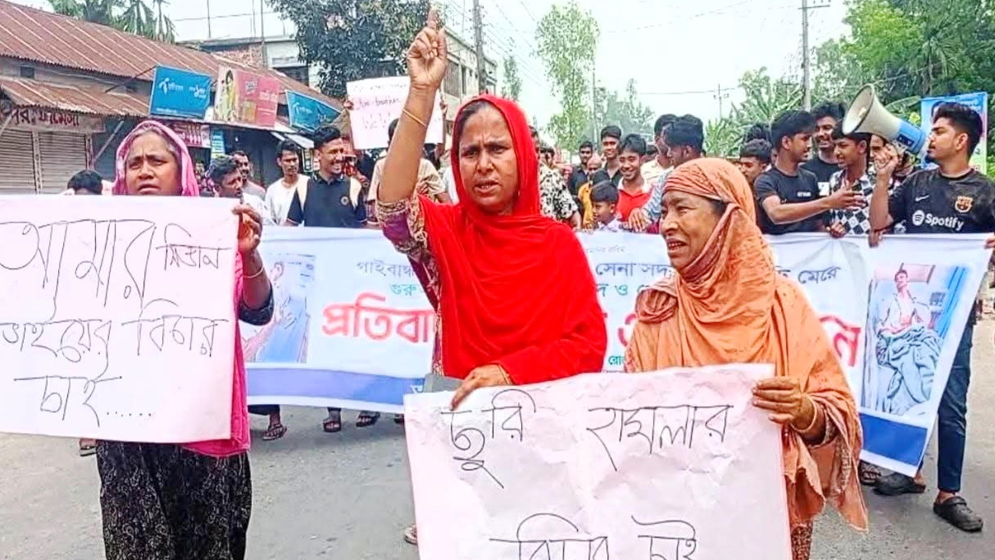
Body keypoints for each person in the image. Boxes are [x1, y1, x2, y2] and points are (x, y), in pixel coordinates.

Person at [377, 13, 607, 545]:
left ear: (522, 155)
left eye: (497, 149)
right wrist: (421, 95)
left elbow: (588, 345)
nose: (483, 164)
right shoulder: (444, 232)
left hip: (545, 440)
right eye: (469, 152)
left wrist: (509, 372)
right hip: (463, 434)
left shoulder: (558, 243)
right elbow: (391, 209)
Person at [624, 158, 867, 560]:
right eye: (664, 210)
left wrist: (804, 412)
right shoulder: (659, 309)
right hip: (676, 526)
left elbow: (836, 414)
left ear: (728, 219)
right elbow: (628, 426)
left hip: (767, 523)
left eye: (682, 208)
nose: (666, 224)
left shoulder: (782, 304)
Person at [100, 120, 273, 560]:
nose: (144, 171)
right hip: (129, 437)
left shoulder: (214, 234)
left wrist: (249, 253)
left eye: (157, 161)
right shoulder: (98, 239)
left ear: (181, 171)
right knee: (137, 546)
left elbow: (257, 309)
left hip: (199, 426)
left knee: (206, 543)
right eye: (135, 163)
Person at [869, 102, 994, 533]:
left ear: (961, 140)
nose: (931, 136)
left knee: (951, 403)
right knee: (909, 392)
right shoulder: (917, 183)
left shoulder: (985, 192)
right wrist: (883, 178)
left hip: (954, 321)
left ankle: (949, 493)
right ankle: (910, 471)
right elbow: (879, 222)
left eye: (939, 131)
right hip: (913, 325)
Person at [285, 125, 380, 432]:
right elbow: (288, 230)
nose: (340, 157)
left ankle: (367, 404)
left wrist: (388, 238)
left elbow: (364, 230)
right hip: (320, 284)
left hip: (353, 282)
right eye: (334, 152)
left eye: (342, 151)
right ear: (318, 154)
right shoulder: (303, 190)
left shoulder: (353, 188)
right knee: (327, 347)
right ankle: (334, 410)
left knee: (358, 343)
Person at [755, 110, 860, 235]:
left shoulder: (810, 179)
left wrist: (831, 232)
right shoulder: (765, 181)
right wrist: (829, 202)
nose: (810, 145)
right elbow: (776, 214)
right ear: (786, 142)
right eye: (805, 139)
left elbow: (817, 224)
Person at [66, 168, 105, 457]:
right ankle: (87, 431)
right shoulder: (63, 226)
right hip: (75, 309)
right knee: (81, 369)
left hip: (106, 308)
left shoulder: (110, 225)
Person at [627, 114, 703, 232]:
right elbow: (650, 212)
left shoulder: (714, 179)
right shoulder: (666, 178)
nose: (668, 154)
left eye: (672, 149)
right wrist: (639, 215)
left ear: (687, 151)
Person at [368, 118, 449, 226]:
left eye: (407, 140)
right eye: (398, 141)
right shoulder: (381, 167)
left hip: (425, 229)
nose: (403, 146)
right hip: (395, 230)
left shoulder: (425, 166)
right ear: (389, 144)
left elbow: (447, 204)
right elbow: (376, 210)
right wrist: (412, 196)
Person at [531, 127, 581, 227]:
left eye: (537, 150)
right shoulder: (508, 182)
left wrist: (577, 230)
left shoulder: (551, 178)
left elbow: (573, 215)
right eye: (529, 149)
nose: (535, 155)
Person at [802, 102, 846, 190]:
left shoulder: (850, 169)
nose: (820, 134)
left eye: (827, 128)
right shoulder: (804, 172)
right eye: (816, 129)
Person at [266, 140, 308, 225]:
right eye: (288, 161)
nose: (292, 164)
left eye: (294, 160)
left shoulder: (309, 184)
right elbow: (270, 221)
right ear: (279, 162)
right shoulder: (272, 190)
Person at [616, 134, 651, 222]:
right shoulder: (612, 193)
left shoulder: (653, 194)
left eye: (631, 159)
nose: (626, 165)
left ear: (642, 160)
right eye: (622, 160)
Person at [641, 114, 676, 186]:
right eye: (668, 136)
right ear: (657, 139)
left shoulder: (685, 169)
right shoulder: (644, 171)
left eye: (674, 137)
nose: (671, 141)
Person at [576, 152, 604, 229]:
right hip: (586, 229)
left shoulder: (606, 188)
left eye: (595, 169)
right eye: (590, 169)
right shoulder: (583, 189)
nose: (592, 172)